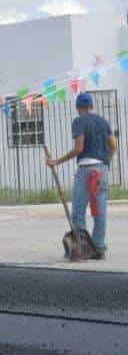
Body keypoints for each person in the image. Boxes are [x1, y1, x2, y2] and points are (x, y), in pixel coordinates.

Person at [47, 92, 118, 258]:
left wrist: (57, 161)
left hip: (86, 169)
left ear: (78, 107)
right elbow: (113, 144)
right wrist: (106, 161)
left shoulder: (79, 121)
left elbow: (79, 148)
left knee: (79, 210)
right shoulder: (102, 121)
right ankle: (99, 248)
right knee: (100, 210)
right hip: (101, 169)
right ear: (91, 106)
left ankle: (82, 248)